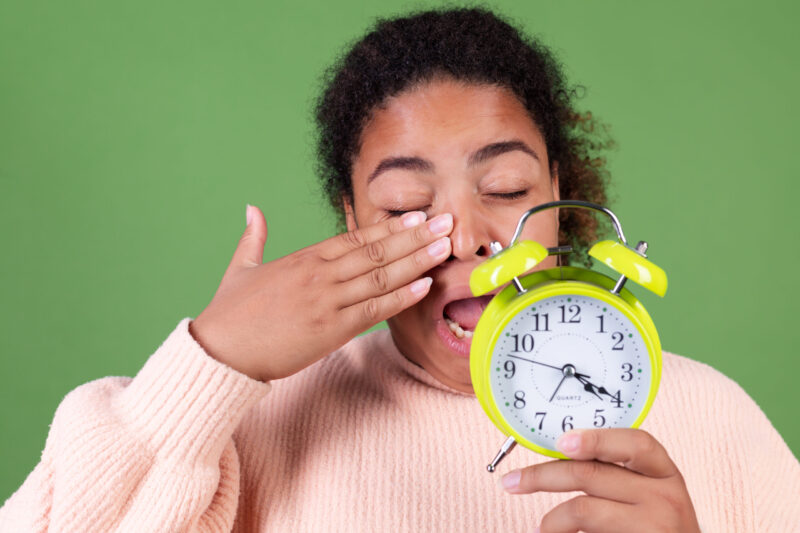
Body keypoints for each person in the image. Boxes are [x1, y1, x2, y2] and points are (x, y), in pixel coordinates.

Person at [1, 7, 798, 533]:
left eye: (508, 189)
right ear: (351, 227)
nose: (465, 237)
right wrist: (211, 361)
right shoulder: (248, 430)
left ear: (562, 190)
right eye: (409, 205)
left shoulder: (711, 419)